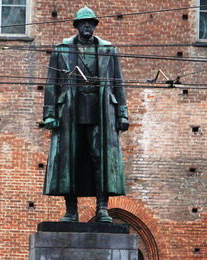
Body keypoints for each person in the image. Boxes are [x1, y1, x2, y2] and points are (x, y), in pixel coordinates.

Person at [43, 6, 129, 223]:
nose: (87, 26)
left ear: (95, 25)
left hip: (101, 112)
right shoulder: (62, 50)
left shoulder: (109, 50)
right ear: (77, 26)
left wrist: (122, 114)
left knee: (100, 159)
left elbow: (118, 84)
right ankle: (71, 211)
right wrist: (49, 114)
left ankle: (102, 208)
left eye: (90, 22)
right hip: (70, 112)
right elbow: (51, 85)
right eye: (83, 23)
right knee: (69, 160)